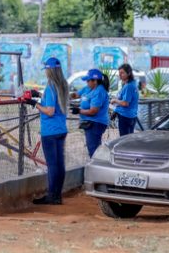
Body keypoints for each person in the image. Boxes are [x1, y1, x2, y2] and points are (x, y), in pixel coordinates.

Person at [29, 57, 68, 205]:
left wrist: (34, 104)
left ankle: (52, 195)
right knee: (59, 163)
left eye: (46, 69)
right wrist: (39, 95)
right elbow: (53, 101)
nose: (45, 72)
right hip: (60, 129)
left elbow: (50, 111)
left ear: (50, 70)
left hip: (50, 131)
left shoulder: (51, 86)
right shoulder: (62, 84)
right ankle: (57, 194)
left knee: (52, 165)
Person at [77, 68, 110, 157]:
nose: (87, 82)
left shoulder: (99, 91)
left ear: (95, 81)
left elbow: (93, 111)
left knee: (94, 149)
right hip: (90, 122)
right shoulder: (88, 88)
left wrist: (79, 111)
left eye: (88, 80)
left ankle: (97, 168)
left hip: (96, 123)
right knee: (93, 147)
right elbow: (76, 95)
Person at [111, 63, 139, 136]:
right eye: (119, 73)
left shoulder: (129, 86)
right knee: (128, 139)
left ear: (129, 73)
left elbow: (125, 103)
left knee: (124, 140)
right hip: (132, 116)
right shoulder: (133, 83)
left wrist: (115, 100)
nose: (120, 75)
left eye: (122, 73)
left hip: (125, 116)